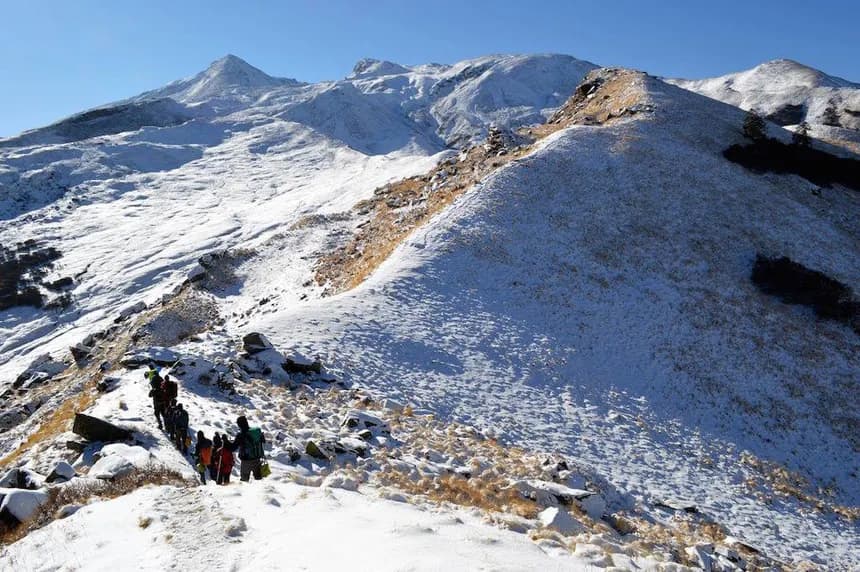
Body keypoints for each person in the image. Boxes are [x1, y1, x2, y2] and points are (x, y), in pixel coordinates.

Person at [230, 415, 267, 482]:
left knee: (244, 481)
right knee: (258, 479)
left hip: (246, 461)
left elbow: (233, 448)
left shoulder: (240, 435)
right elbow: (263, 441)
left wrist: (226, 442)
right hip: (257, 459)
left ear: (239, 425)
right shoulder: (255, 432)